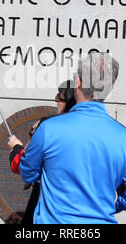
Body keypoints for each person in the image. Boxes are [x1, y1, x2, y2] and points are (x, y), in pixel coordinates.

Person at [9, 52, 126, 224]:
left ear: (79, 82)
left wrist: (17, 150)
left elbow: (27, 172)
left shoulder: (49, 129)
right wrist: (112, 207)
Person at [8, 81, 76, 224]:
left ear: (69, 101)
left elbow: (21, 165)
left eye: (60, 96)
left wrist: (16, 148)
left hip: (46, 202)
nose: (56, 100)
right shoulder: (98, 130)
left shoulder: (47, 127)